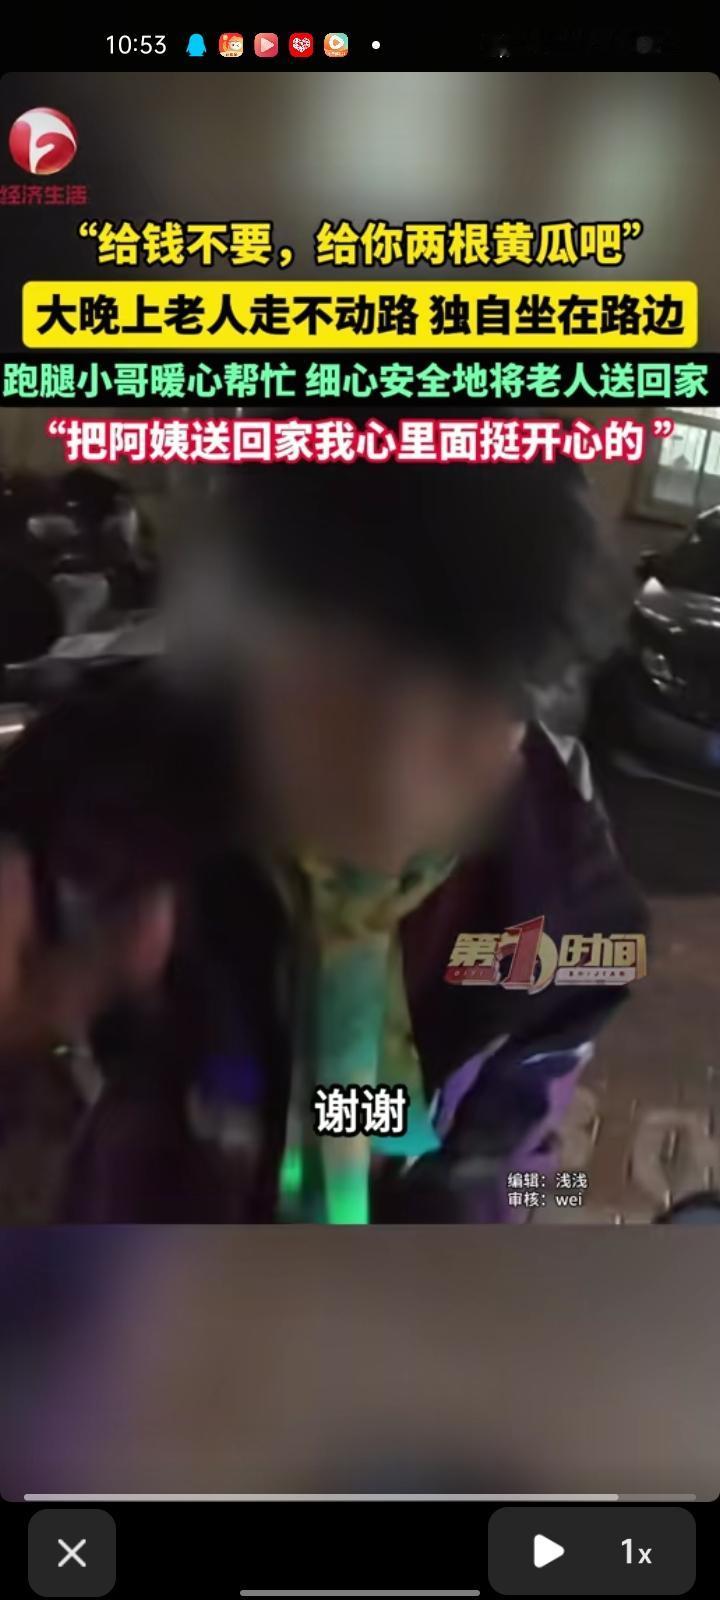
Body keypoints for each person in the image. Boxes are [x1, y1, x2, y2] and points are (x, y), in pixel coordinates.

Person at [0, 445, 646, 1223]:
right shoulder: (80, 819)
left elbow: (522, 1165)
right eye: (348, 702)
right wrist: (30, 1065)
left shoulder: (566, 913)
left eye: (469, 714)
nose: (393, 785)